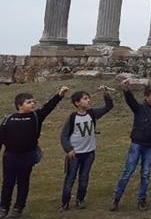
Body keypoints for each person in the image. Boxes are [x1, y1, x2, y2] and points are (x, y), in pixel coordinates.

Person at [0, 85, 67, 218]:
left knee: (23, 182)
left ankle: (18, 207)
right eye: (29, 102)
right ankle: (3, 208)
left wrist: (59, 95)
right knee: (7, 183)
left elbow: (49, 107)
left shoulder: (36, 116)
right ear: (20, 105)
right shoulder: (8, 120)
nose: (32, 104)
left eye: (33, 102)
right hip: (10, 157)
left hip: (27, 156)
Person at [109, 80, 151, 212]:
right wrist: (127, 90)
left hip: (150, 146)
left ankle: (142, 199)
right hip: (137, 144)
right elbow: (131, 101)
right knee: (128, 171)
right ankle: (116, 198)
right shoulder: (140, 108)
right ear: (147, 97)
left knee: (145, 174)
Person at [59, 87, 113, 210]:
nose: (89, 101)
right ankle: (65, 203)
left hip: (89, 153)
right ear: (77, 103)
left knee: (84, 178)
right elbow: (64, 135)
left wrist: (106, 94)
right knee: (70, 178)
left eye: (89, 98)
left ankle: (80, 199)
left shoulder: (92, 113)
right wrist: (68, 149)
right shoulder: (72, 117)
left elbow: (108, 107)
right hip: (75, 154)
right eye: (85, 99)